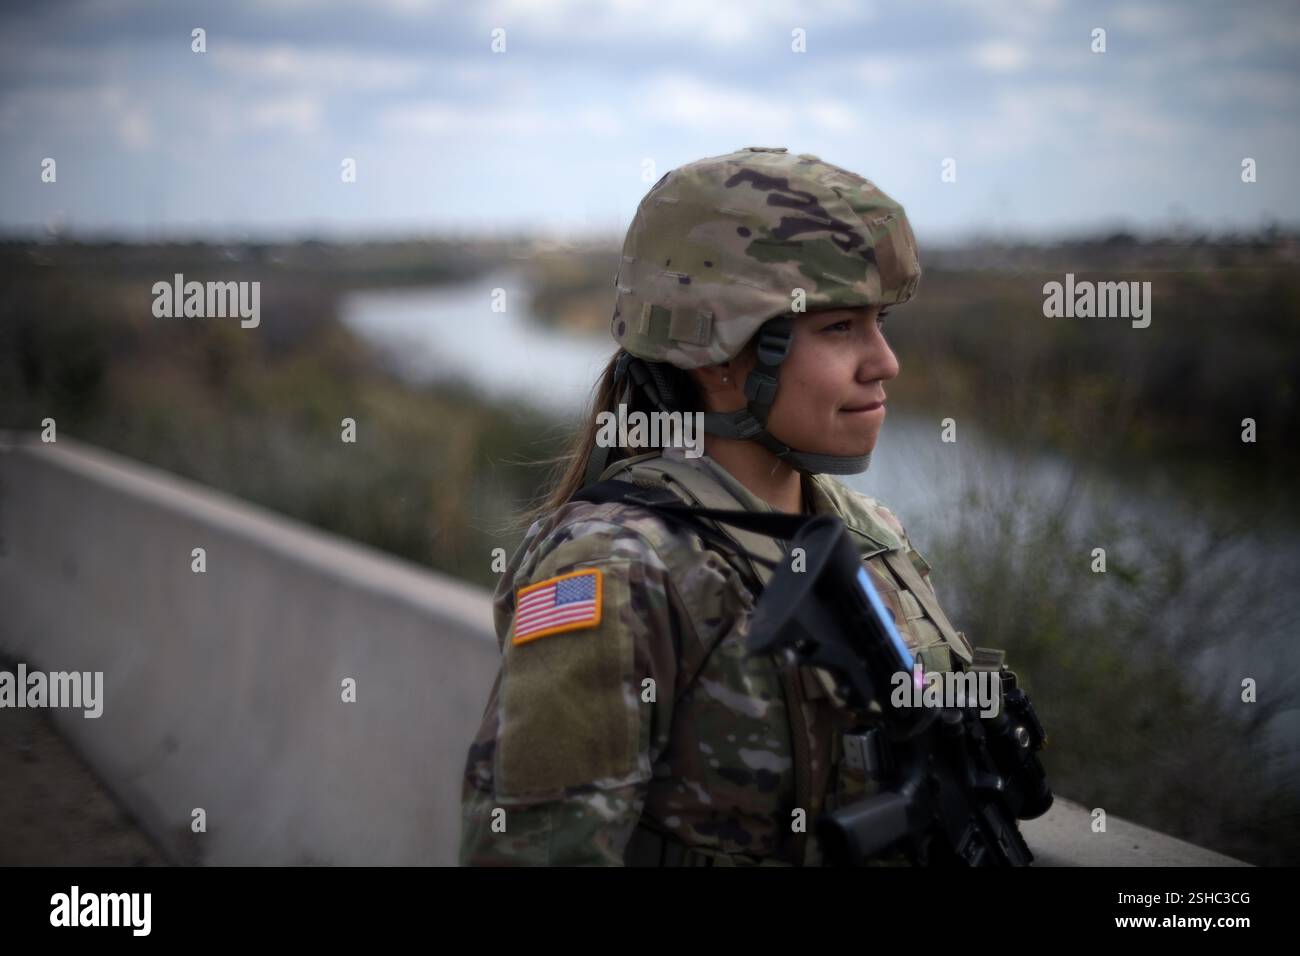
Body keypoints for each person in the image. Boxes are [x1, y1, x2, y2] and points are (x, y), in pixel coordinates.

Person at [460, 146, 1000, 866]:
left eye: (880, 324)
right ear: (720, 354)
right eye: (839, 329)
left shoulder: (869, 532)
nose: (884, 362)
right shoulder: (618, 569)